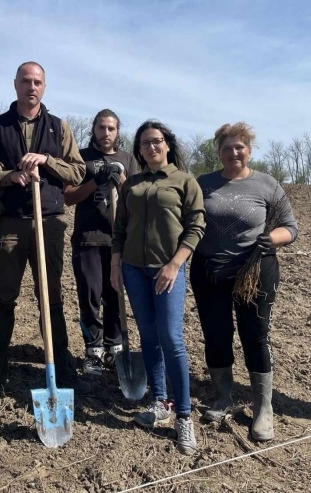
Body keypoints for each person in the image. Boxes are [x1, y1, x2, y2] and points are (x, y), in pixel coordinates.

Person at [0, 61, 85, 395]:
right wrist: (9, 176)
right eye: (25, 81)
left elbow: (77, 172)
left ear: (44, 87)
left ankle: (61, 366)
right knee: (3, 296)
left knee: (51, 296)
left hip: (49, 222)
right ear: (15, 84)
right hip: (11, 223)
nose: (31, 87)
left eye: (37, 82)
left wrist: (47, 161)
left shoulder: (59, 128)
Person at [191, 122, 298, 442]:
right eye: (226, 148)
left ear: (249, 150)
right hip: (210, 271)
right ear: (218, 152)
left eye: (239, 147)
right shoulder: (203, 184)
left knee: (255, 336)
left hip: (255, 272)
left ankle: (263, 407)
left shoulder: (267, 185)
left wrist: (273, 239)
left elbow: (291, 228)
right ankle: (223, 397)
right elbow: (188, 221)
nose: (233, 152)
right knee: (216, 334)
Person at [111, 120, 205, 456]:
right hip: (133, 269)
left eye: (157, 141)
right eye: (145, 143)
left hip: (169, 269)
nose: (152, 147)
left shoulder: (183, 181)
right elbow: (119, 228)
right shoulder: (131, 184)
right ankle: (159, 402)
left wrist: (175, 263)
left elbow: (196, 227)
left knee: (171, 338)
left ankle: (183, 415)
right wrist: (115, 265)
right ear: (138, 149)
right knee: (148, 337)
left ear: (167, 145)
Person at [63, 109, 139, 376]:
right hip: (88, 239)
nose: (106, 133)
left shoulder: (128, 160)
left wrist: (121, 182)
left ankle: (114, 348)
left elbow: (135, 200)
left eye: (111, 128)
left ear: (118, 132)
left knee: (116, 295)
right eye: (101, 127)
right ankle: (93, 350)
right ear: (93, 129)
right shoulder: (81, 158)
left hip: (118, 241)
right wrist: (96, 180)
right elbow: (69, 197)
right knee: (90, 296)